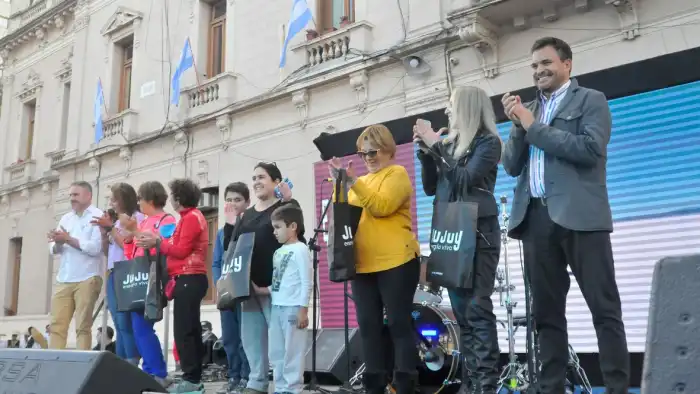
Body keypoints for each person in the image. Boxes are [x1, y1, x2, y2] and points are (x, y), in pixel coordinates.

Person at [501, 36, 629, 394]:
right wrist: (516, 122)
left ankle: (618, 388)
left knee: (604, 310)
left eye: (546, 63)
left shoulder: (591, 100)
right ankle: (551, 387)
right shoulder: (529, 109)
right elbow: (511, 166)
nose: (539, 70)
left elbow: (589, 149)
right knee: (546, 315)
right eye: (534, 66)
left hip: (581, 217)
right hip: (535, 221)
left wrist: (531, 124)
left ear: (567, 64)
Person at [414, 86, 503, 394]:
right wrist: (427, 154)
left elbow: (464, 181)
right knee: (463, 316)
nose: (447, 111)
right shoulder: (449, 146)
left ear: (466, 107)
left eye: (451, 105)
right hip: (451, 236)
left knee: (478, 310)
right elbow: (430, 188)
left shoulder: (488, 143)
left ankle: (485, 386)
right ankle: (470, 384)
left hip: (479, 236)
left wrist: (436, 145)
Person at [328, 125, 421, 394]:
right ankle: (374, 387)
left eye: (373, 151)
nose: (368, 157)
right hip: (363, 265)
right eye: (363, 152)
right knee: (368, 328)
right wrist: (339, 184)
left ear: (388, 149)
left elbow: (381, 207)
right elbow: (343, 214)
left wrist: (353, 182)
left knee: (398, 324)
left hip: (397, 262)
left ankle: (403, 386)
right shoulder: (360, 181)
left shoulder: (397, 173)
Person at [225, 162, 299, 394]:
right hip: (249, 289)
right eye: (254, 177)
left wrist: (288, 201)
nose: (256, 181)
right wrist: (229, 224)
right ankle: (256, 382)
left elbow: (298, 238)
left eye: (262, 177)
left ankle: (284, 386)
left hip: (276, 288)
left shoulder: (286, 207)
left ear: (276, 182)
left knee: (280, 343)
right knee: (251, 340)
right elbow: (232, 248)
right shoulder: (245, 214)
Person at [137, 179, 209, 394]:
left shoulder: (191, 218)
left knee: (185, 331)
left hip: (190, 277)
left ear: (179, 197)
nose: (170, 199)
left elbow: (180, 250)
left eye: (173, 195)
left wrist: (158, 242)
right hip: (187, 279)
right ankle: (193, 377)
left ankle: (191, 379)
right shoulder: (188, 218)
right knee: (190, 329)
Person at [252, 205, 311, 394]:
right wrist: (263, 290)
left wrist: (303, 308)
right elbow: (280, 280)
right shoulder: (278, 252)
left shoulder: (301, 249)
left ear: (293, 226)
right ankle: (281, 386)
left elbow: (306, 281)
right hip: (277, 306)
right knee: (276, 351)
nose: (274, 232)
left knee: (292, 351)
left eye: (278, 227)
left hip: (293, 308)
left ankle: (293, 388)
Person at [120, 181, 174, 386]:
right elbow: (133, 253)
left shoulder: (166, 220)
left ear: (150, 200)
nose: (138, 204)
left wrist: (134, 232)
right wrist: (127, 239)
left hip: (153, 278)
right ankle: (152, 369)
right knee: (138, 327)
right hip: (138, 277)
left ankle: (157, 371)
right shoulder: (142, 223)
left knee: (143, 326)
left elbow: (160, 246)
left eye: (140, 199)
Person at [47, 181, 104, 350]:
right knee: (57, 326)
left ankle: (82, 365)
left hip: (87, 277)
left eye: (76, 195)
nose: (72, 199)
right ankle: (54, 364)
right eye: (71, 195)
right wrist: (58, 242)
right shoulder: (66, 218)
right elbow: (53, 249)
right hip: (64, 278)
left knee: (82, 326)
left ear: (88, 196)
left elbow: (95, 248)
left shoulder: (97, 216)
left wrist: (68, 239)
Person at [91, 182, 142, 365]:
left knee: (125, 321)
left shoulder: (136, 218)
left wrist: (111, 228)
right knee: (118, 322)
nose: (111, 203)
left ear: (123, 199)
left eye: (114, 199)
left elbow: (128, 246)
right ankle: (121, 362)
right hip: (113, 272)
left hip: (128, 271)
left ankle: (132, 362)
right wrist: (104, 234)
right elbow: (107, 251)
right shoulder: (117, 222)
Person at [212, 182, 251, 394]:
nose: (233, 203)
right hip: (227, 292)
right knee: (229, 337)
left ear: (247, 202)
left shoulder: (251, 225)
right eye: (229, 199)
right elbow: (217, 262)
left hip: (245, 291)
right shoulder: (221, 233)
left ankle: (247, 377)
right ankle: (234, 377)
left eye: (238, 199)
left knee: (246, 337)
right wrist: (219, 282)